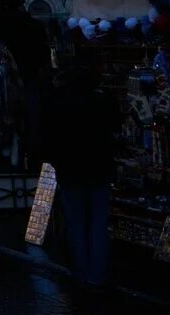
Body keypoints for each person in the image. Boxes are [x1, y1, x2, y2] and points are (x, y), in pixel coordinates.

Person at [42, 54, 119, 288]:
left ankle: (82, 271)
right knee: (97, 222)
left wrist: (57, 161)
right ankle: (96, 274)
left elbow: (51, 136)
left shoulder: (60, 102)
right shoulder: (102, 101)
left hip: (71, 170)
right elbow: (113, 129)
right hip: (98, 168)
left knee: (76, 222)